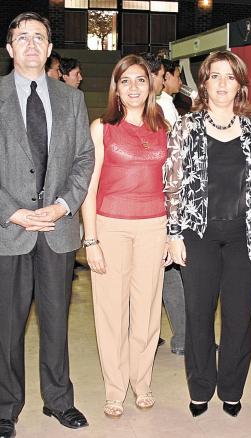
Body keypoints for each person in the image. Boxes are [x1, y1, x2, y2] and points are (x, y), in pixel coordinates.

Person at [0, 12, 94, 438]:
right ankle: (6, 409)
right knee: (8, 326)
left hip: (57, 231)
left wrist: (61, 207)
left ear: (49, 48)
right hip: (8, 232)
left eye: (39, 37)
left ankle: (59, 401)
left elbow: (83, 160)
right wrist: (15, 212)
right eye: (23, 38)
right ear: (10, 48)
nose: (32, 44)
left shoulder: (70, 99)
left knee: (56, 322)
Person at [164, 50, 251, 418]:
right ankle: (200, 388)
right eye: (215, 76)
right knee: (198, 316)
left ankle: (231, 388)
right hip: (198, 236)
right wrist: (174, 234)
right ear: (204, 82)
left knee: (238, 317)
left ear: (240, 84)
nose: (223, 84)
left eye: (231, 77)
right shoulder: (186, 126)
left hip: (244, 237)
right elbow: (174, 184)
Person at [81, 54, 169, 418]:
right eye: (125, 81)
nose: (133, 88)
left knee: (147, 311)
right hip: (110, 226)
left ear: (150, 87)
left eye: (140, 80)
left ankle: (142, 383)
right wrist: (91, 240)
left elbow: (174, 184)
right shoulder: (102, 127)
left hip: (154, 225)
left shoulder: (164, 126)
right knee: (111, 313)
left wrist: (171, 234)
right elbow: (89, 187)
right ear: (115, 87)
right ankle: (115, 389)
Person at [142, 55, 186, 356]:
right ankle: (153, 336)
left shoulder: (161, 113)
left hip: (160, 206)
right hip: (142, 210)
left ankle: (179, 336)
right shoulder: (152, 113)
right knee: (160, 276)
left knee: (166, 273)